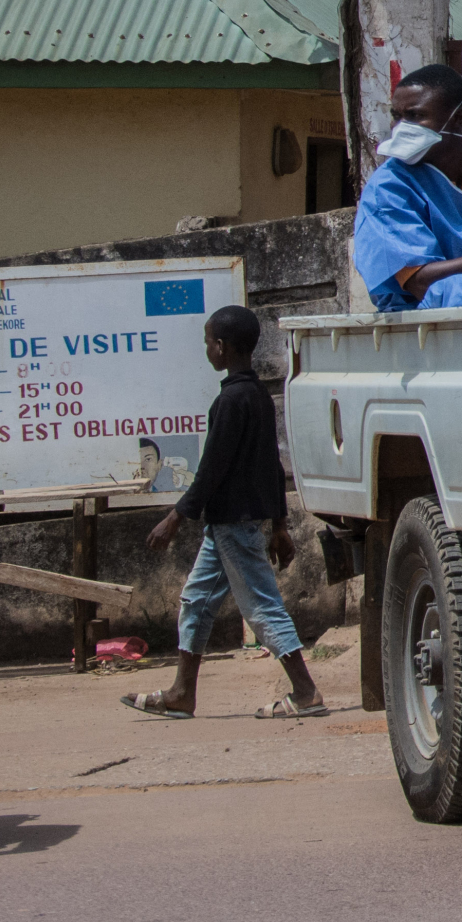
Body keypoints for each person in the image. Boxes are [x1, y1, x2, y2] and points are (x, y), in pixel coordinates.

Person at [123, 306, 323, 720]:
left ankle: (305, 692)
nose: (206, 349)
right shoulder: (259, 399)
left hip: (235, 527)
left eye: (207, 341)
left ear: (222, 346)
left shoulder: (230, 401)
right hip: (226, 527)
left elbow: (211, 469)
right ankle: (182, 693)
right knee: (196, 601)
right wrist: (280, 524)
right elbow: (273, 467)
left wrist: (175, 518)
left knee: (262, 607)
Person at [352, 64, 462, 310]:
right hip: (429, 329)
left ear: (458, 118)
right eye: (396, 116)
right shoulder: (388, 188)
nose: (400, 127)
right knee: (457, 289)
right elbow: (419, 281)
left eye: (415, 116)